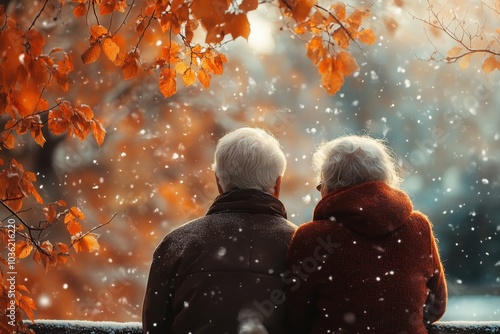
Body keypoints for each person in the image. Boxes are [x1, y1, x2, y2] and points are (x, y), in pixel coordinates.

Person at [285, 135, 447, 334]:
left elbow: (295, 318)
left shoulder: (312, 238)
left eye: (321, 186)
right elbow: (436, 306)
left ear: (331, 187)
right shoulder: (419, 227)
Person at [142, 127, 297, 334]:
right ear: (278, 184)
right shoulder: (302, 243)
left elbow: (154, 327)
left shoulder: (177, 243)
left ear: (218, 182)